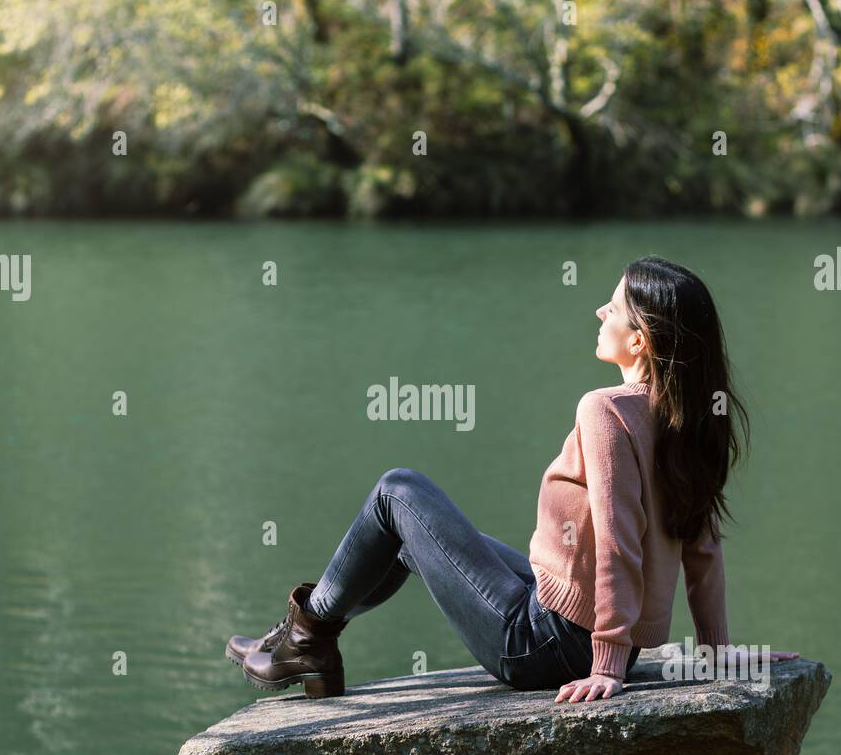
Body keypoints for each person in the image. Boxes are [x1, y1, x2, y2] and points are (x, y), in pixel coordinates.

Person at [226, 255, 798, 703]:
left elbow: (620, 540)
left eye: (614, 307)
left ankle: (303, 639)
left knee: (397, 492)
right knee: (413, 541)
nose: (600, 311)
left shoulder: (606, 411)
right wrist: (718, 650)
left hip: (542, 645)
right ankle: (309, 641)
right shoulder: (689, 416)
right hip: (577, 623)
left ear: (640, 341)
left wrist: (606, 664)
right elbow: (702, 546)